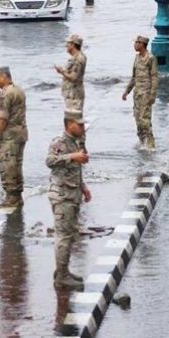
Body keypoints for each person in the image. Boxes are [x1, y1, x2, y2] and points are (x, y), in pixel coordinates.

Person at [46, 109, 92, 290]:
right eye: (79, 125)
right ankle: (62, 277)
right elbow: (49, 161)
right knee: (63, 237)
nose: (82, 128)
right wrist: (73, 156)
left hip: (73, 193)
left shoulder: (76, 142)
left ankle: (62, 270)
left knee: (71, 234)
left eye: (82, 125)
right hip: (62, 195)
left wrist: (83, 187)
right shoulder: (59, 142)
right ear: (69, 124)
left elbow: (76, 170)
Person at [0, 66, 28, 207]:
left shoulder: (5, 94)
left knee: (8, 166)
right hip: (21, 133)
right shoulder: (18, 90)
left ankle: (12, 198)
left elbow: (2, 118)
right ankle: (17, 195)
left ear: (3, 76)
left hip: (9, 136)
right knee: (17, 165)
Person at [121, 35, 159, 149]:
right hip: (137, 94)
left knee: (145, 120)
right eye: (135, 42)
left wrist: (152, 95)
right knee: (138, 120)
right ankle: (143, 143)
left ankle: (151, 146)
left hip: (146, 94)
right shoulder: (137, 58)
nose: (135, 44)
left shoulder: (151, 58)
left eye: (137, 43)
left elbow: (155, 77)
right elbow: (133, 77)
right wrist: (126, 91)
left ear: (142, 44)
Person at [54, 34, 87, 111]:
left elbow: (73, 78)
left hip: (74, 95)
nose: (66, 46)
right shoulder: (77, 57)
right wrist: (64, 71)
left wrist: (62, 71)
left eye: (68, 43)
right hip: (72, 94)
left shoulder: (78, 58)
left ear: (73, 44)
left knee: (74, 119)